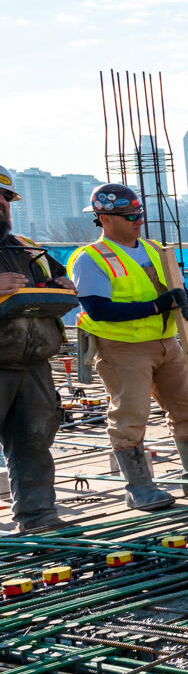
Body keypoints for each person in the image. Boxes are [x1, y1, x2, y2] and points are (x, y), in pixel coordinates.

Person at [68, 183, 188, 511]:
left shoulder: (152, 249)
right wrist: (156, 307)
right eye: (130, 215)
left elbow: (173, 287)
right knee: (130, 417)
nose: (138, 220)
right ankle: (139, 487)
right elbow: (98, 309)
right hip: (123, 348)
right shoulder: (91, 259)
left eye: (140, 213)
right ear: (105, 219)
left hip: (166, 342)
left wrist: (184, 301)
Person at [0, 165, 75, 532]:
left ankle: (38, 518)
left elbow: (59, 279)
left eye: (5, 198)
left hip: (33, 365)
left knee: (33, 441)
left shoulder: (25, 247)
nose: (1, 204)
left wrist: (61, 283)